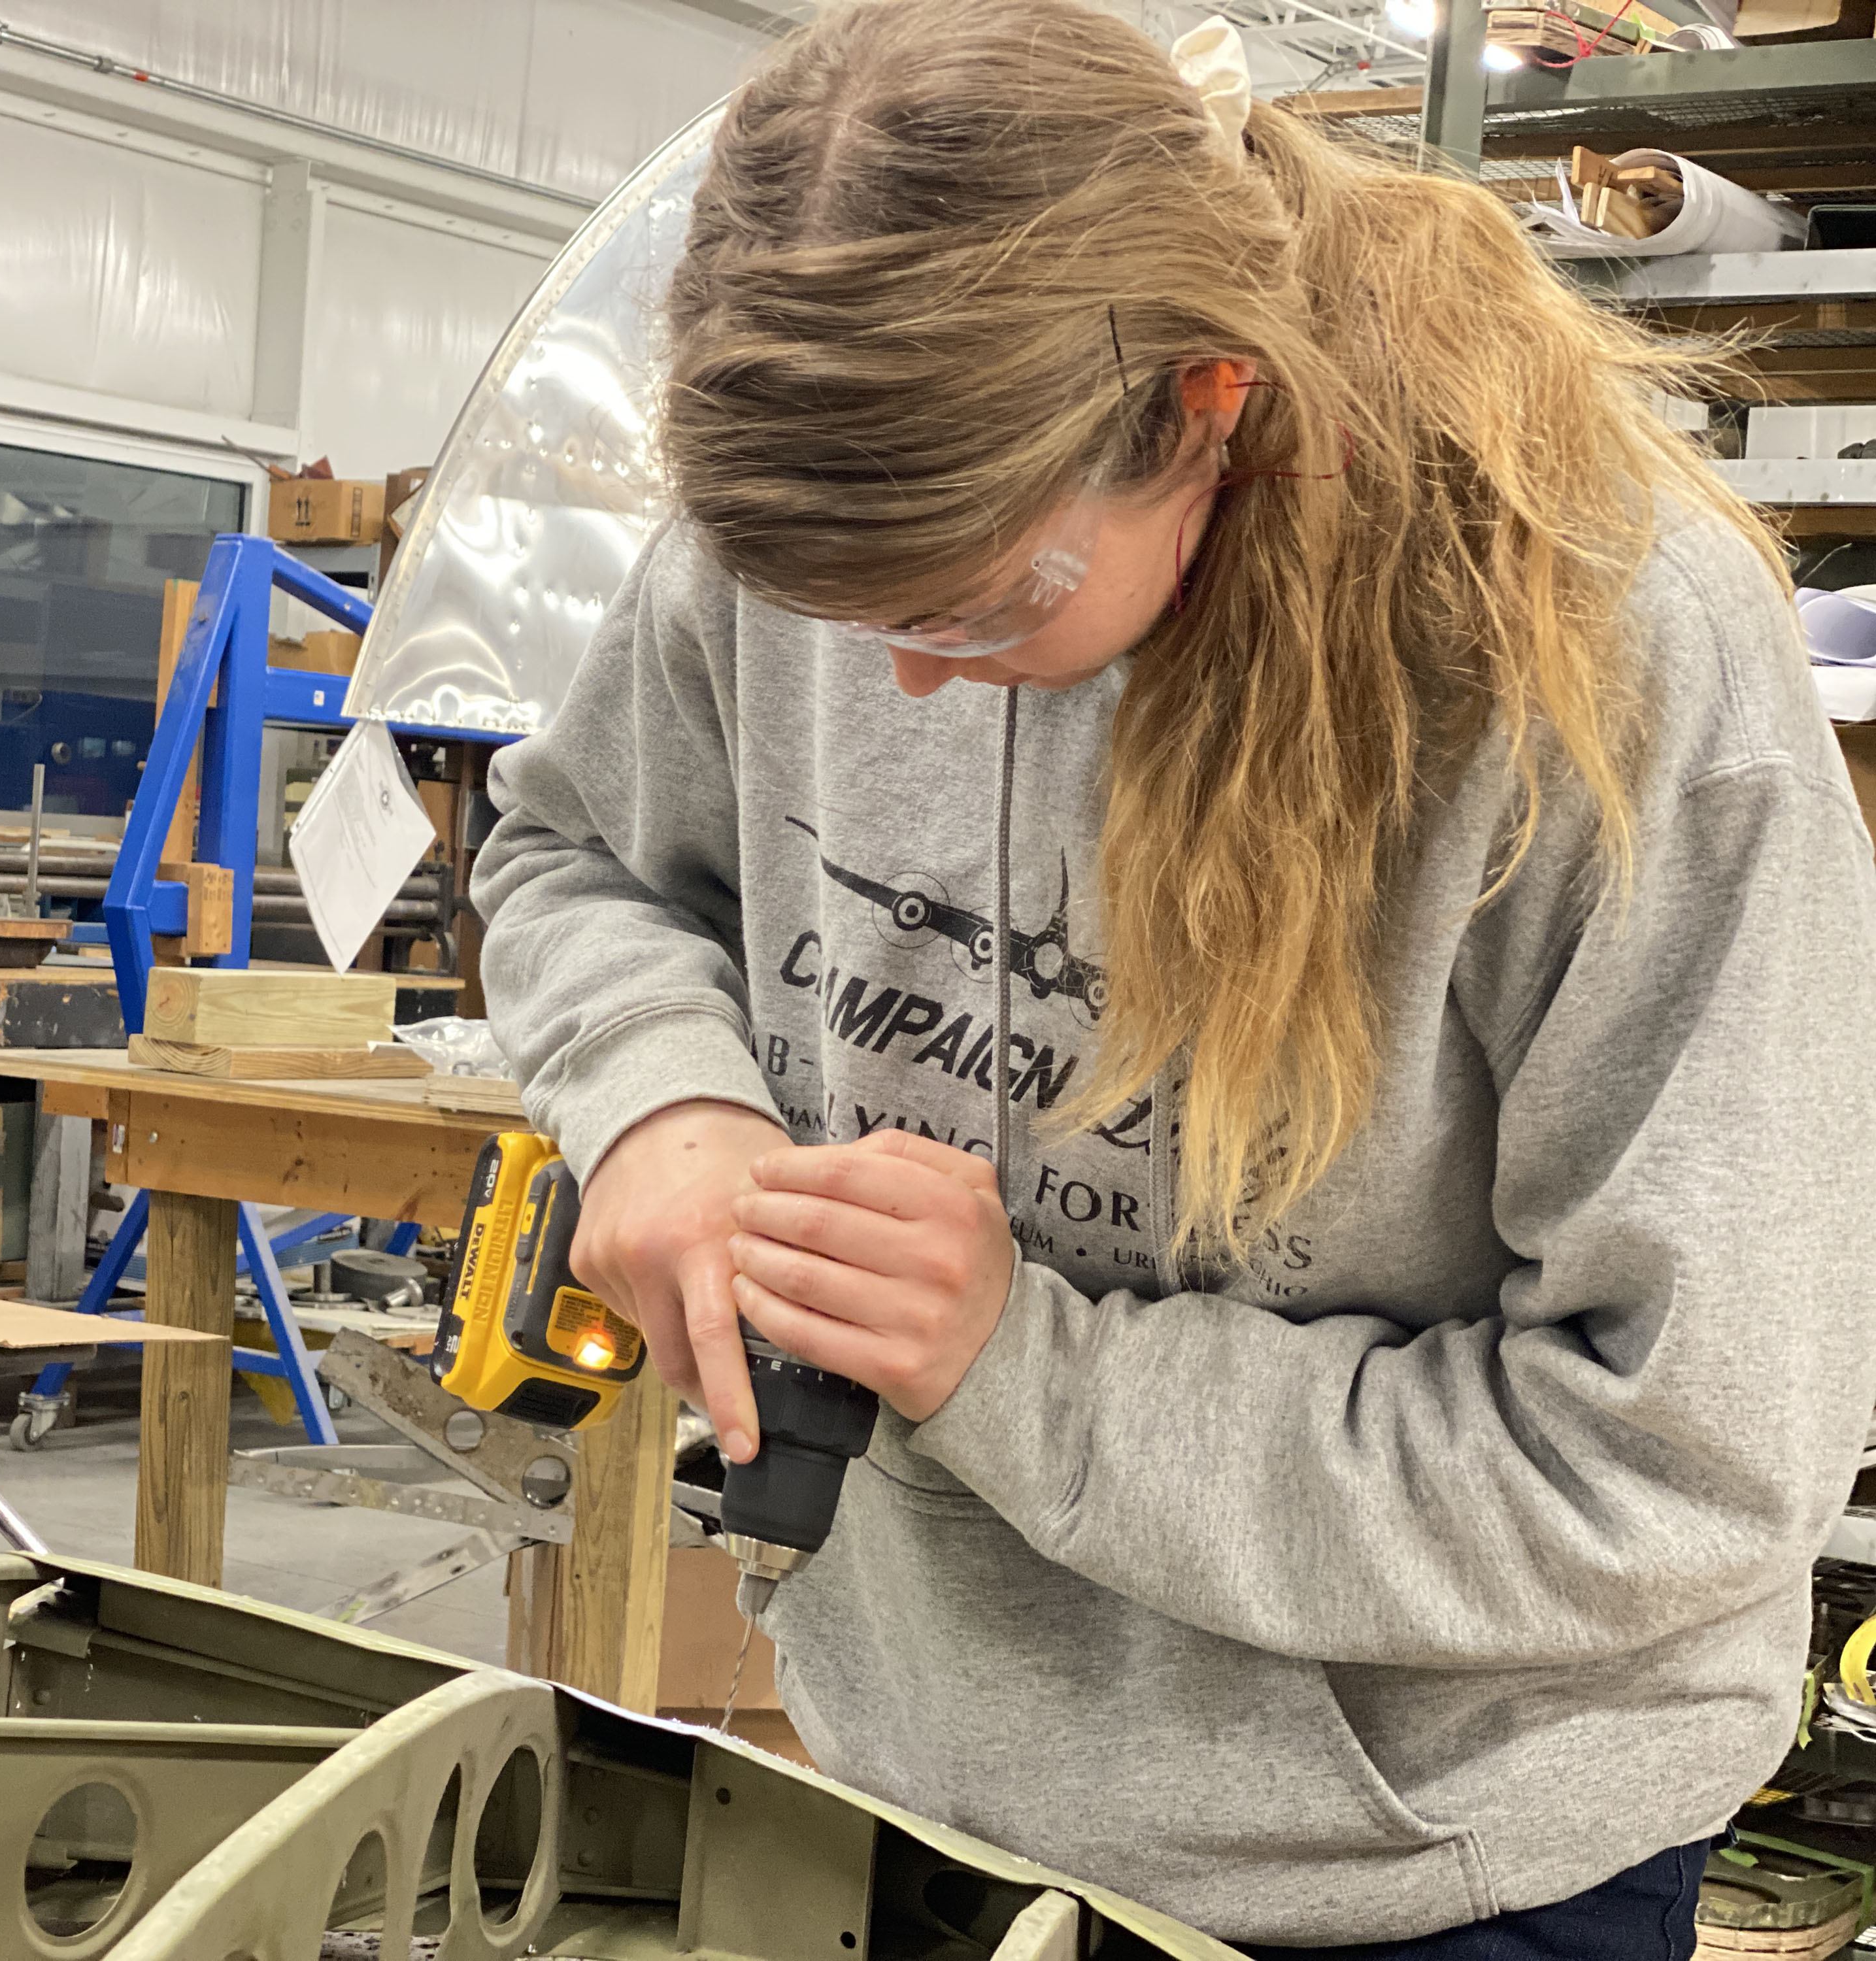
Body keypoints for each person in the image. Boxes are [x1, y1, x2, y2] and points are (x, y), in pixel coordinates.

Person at [470, 2, 1876, 1955]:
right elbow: (577, 853)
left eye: (986, 600)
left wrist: (1018, 1369)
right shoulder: (826, 514)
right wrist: (665, 1100)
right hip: (924, 1770)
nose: (904, 687)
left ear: (1211, 407)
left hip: (1419, 1851)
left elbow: (1680, 1461)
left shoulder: (1613, 673)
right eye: (836, 616)